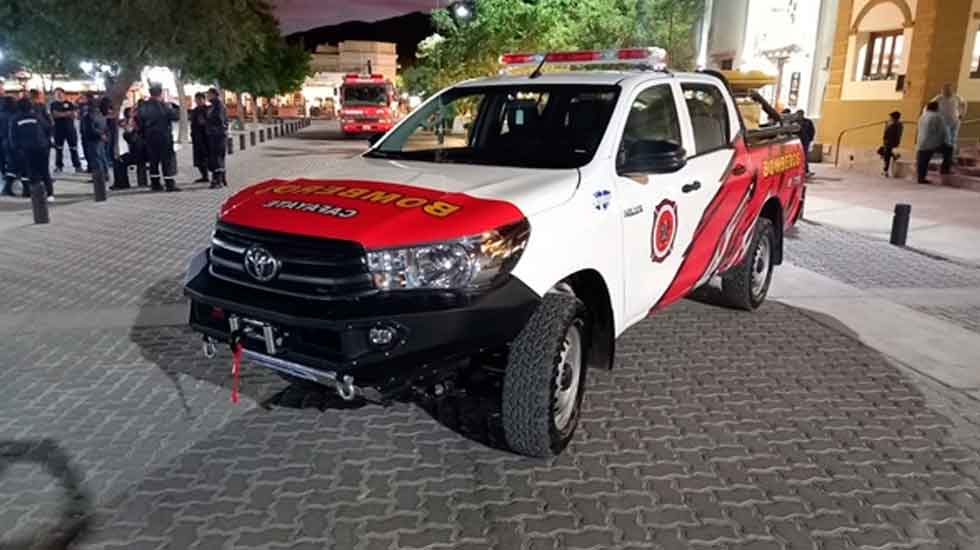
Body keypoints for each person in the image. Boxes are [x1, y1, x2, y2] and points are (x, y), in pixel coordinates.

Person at [137, 85, 180, 192]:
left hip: (150, 137)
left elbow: (140, 120)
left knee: (153, 161)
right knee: (166, 160)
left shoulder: (144, 106)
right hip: (164, 136)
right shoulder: (164, 106)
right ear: (160, 94)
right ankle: (169, 183)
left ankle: (155, 184)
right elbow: (175, 117)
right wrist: (174, 107)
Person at [9, 97, 52, 201]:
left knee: (31, 172)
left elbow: (13, 136)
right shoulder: (37, 117)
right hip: (42, 147)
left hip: (27, 149)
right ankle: (50, 194)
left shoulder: (15, 119)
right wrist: (47, 141)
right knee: (45, 171)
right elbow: (48, 128)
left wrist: (16, 148)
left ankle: (33, 194)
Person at [931, 84, 967, 167]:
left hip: (955, 122)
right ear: (942, 91)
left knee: (953, 140)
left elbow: (964, 105)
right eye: (945, 91)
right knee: (946, 140)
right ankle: (944, 158)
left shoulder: (957, 98)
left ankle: (950, 158)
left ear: (952, 90)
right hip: (943, 123)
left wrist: (961, 115)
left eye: (949, 90)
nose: (947, 92)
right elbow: (929, 106)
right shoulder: (938, 98)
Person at [80, 93, 111, 191]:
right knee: (102, 157)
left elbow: (89, 127)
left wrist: (99, 134)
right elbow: (104, 125)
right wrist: (103, 134)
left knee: (96, 159)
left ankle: (99, 178)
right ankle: (105, 175)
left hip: (92, 138)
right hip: (99, 138)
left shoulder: (89, 114)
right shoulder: (99, 113)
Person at [28, 89, 55, 200]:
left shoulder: (40, 108)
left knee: (37, 169)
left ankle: (43, 193)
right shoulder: (39, 108)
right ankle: (47, 193)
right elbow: (50, 124)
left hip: (38, 143)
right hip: (42, 143)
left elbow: (49, 124)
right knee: (42, 169)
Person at [49, 88, 83, 173]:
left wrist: (62, 114)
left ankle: (77, 166)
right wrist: (66, 113)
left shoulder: (69, 103)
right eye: (57, 93)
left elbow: (74, 115)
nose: (59, 95)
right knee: (59, 149)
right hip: (58, 130)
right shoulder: (53, 104)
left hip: (70, 129)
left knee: (73, 148)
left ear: (64, 94)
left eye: (60, 93)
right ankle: (58, 166)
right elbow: (55, 115)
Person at [917, 102, 948, 184]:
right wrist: (942, 141)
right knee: (949, 150)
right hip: (932, 142)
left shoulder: (922, 116)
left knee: (922, 160)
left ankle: (920, 178)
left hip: (921, 141)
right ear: (936, 108)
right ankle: (944, 169)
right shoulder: (937, 117)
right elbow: (942, 131)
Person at [205, 87, 228, 189]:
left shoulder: (218, 106)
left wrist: (210, 125)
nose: (207, 96)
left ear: (214, 95)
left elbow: (220, 120)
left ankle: (218, 180)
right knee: (217, 158)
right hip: (214, 135)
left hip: (218, 136)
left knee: (217, 158)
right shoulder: (213, 106)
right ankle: (221, 179)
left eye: (208, 94)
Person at [120, 107, 148, 188]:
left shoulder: (134, 133)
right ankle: (142, 183)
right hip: (146, 154)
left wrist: (128, 130)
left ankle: (122, 184)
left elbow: (130, 140)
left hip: (140, 155)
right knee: (140, 161)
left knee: (120, 160)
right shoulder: (145, 129)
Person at [0, 95, 20, 196]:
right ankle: (7, 188)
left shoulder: (1, 114)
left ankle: (6, 186)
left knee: (6, 164)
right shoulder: (14, 115)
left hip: (3, 141)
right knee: (13, 165)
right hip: (13, 142)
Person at [190, 92, 210, 183]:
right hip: (197, 137)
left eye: (200, 99)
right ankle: (204, 176)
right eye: (196, 100)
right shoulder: (194, 110)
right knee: (199, 159)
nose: (198, 101)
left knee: (208, 157)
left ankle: (214, 176)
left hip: (206, 138)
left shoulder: (209, 109)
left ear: (204, 100)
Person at [880, 111, 903, 178]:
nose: (889, 118)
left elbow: (887, 133)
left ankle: (885, 171)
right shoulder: (898, 124)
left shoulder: (894, 125)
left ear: (893, 118)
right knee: (886, 154)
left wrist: (887, 125)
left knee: (886, 156)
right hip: (890, 142)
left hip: (889, 142)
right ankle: (894, 156)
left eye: (891, 117)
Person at [796, 109, 816, 177]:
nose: (799, 116)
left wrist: (810, 138)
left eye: (801, 114)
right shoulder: (794, 122)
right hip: (796, 142)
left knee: (804, 156)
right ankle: (798, 171)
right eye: (798, 114)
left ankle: (806, 170)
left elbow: (812, 130)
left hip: (805, 141)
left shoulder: (807, 121)